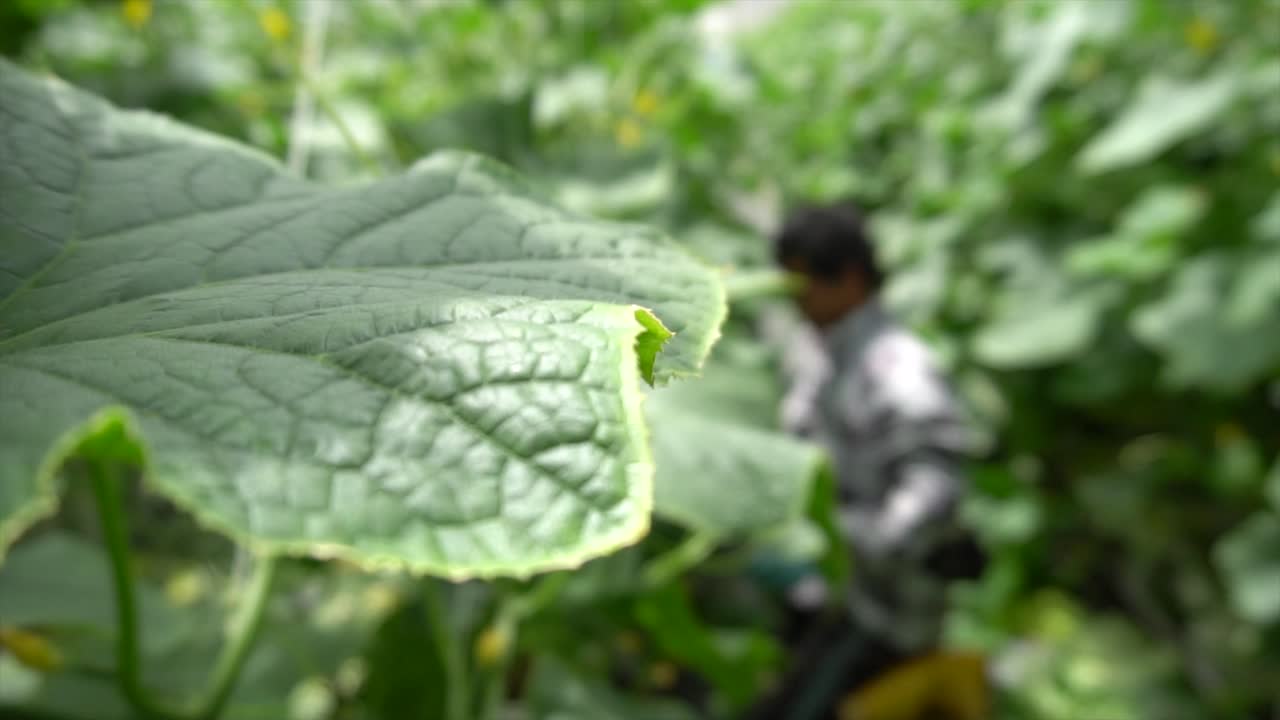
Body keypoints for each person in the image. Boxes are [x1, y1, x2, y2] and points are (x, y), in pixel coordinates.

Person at [750, 202, 985, 720]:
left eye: (803, 285)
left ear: (850, 278)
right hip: (839, 594)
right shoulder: (825, 357)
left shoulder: (900, 375)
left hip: (889, 614)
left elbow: (934, 497)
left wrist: (835, 537)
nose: (796, 302)